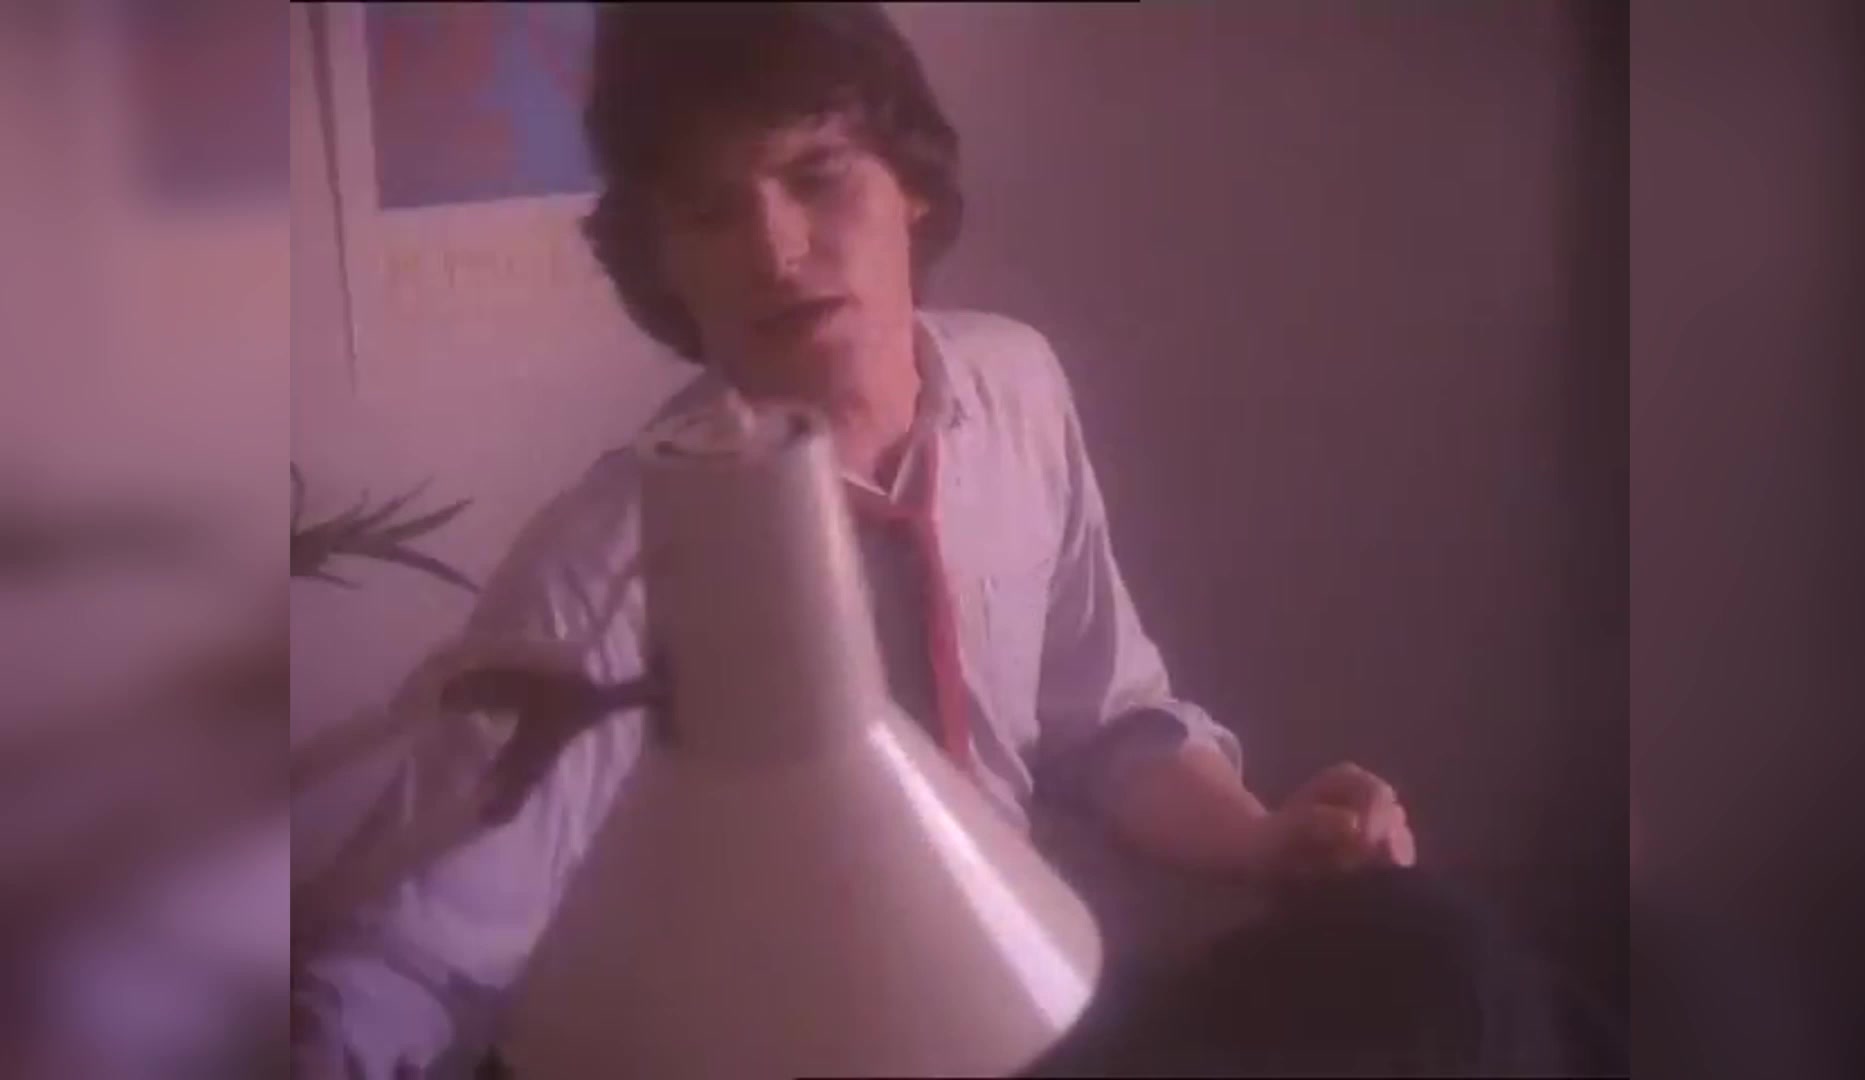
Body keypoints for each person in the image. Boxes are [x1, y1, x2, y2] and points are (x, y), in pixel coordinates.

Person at [295, 5, 1611, 1077]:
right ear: (663, 264)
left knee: (1452, 964)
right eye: (709, 212)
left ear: (912, 188)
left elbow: (1105, 721)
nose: (774, 249)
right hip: (795, 1051)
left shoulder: (1015, 390)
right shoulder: (612, 567)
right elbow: (409, 957)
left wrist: (1270, 841)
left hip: (1028, 996)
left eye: (816, 178)